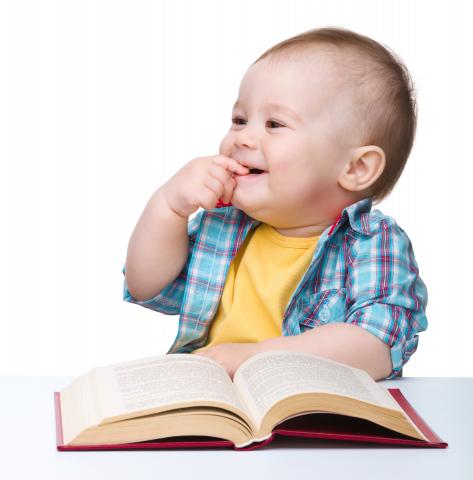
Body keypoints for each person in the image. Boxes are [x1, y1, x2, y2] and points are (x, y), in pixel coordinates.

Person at [122, 26, 428, 382]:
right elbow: (147, 286)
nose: (243, 138)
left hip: (311, 414)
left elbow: (377, 344)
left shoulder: (371, 242)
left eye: (274, 124)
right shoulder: (223, 225)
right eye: (239, 120)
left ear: (356, 168)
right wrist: (168, 207)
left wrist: (255, 357)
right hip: (216, 405)